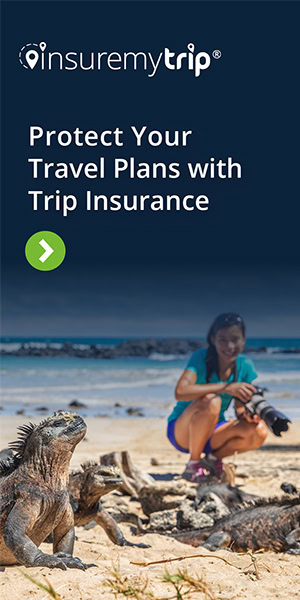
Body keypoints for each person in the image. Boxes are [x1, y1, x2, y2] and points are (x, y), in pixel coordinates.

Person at [167, 313, 268, 483]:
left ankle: (212, 460)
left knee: (259, 430)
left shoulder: (245, 365)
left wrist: (248, 415)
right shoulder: (201, 357)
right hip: (183, 430)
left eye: (235, 339)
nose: (229, 345)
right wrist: (225, 387)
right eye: (222, 339)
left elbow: (239, 408)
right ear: (213, 339)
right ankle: (193, 463)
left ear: (243, 340)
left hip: (215, 432)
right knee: (212, 400)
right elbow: (180, 391)